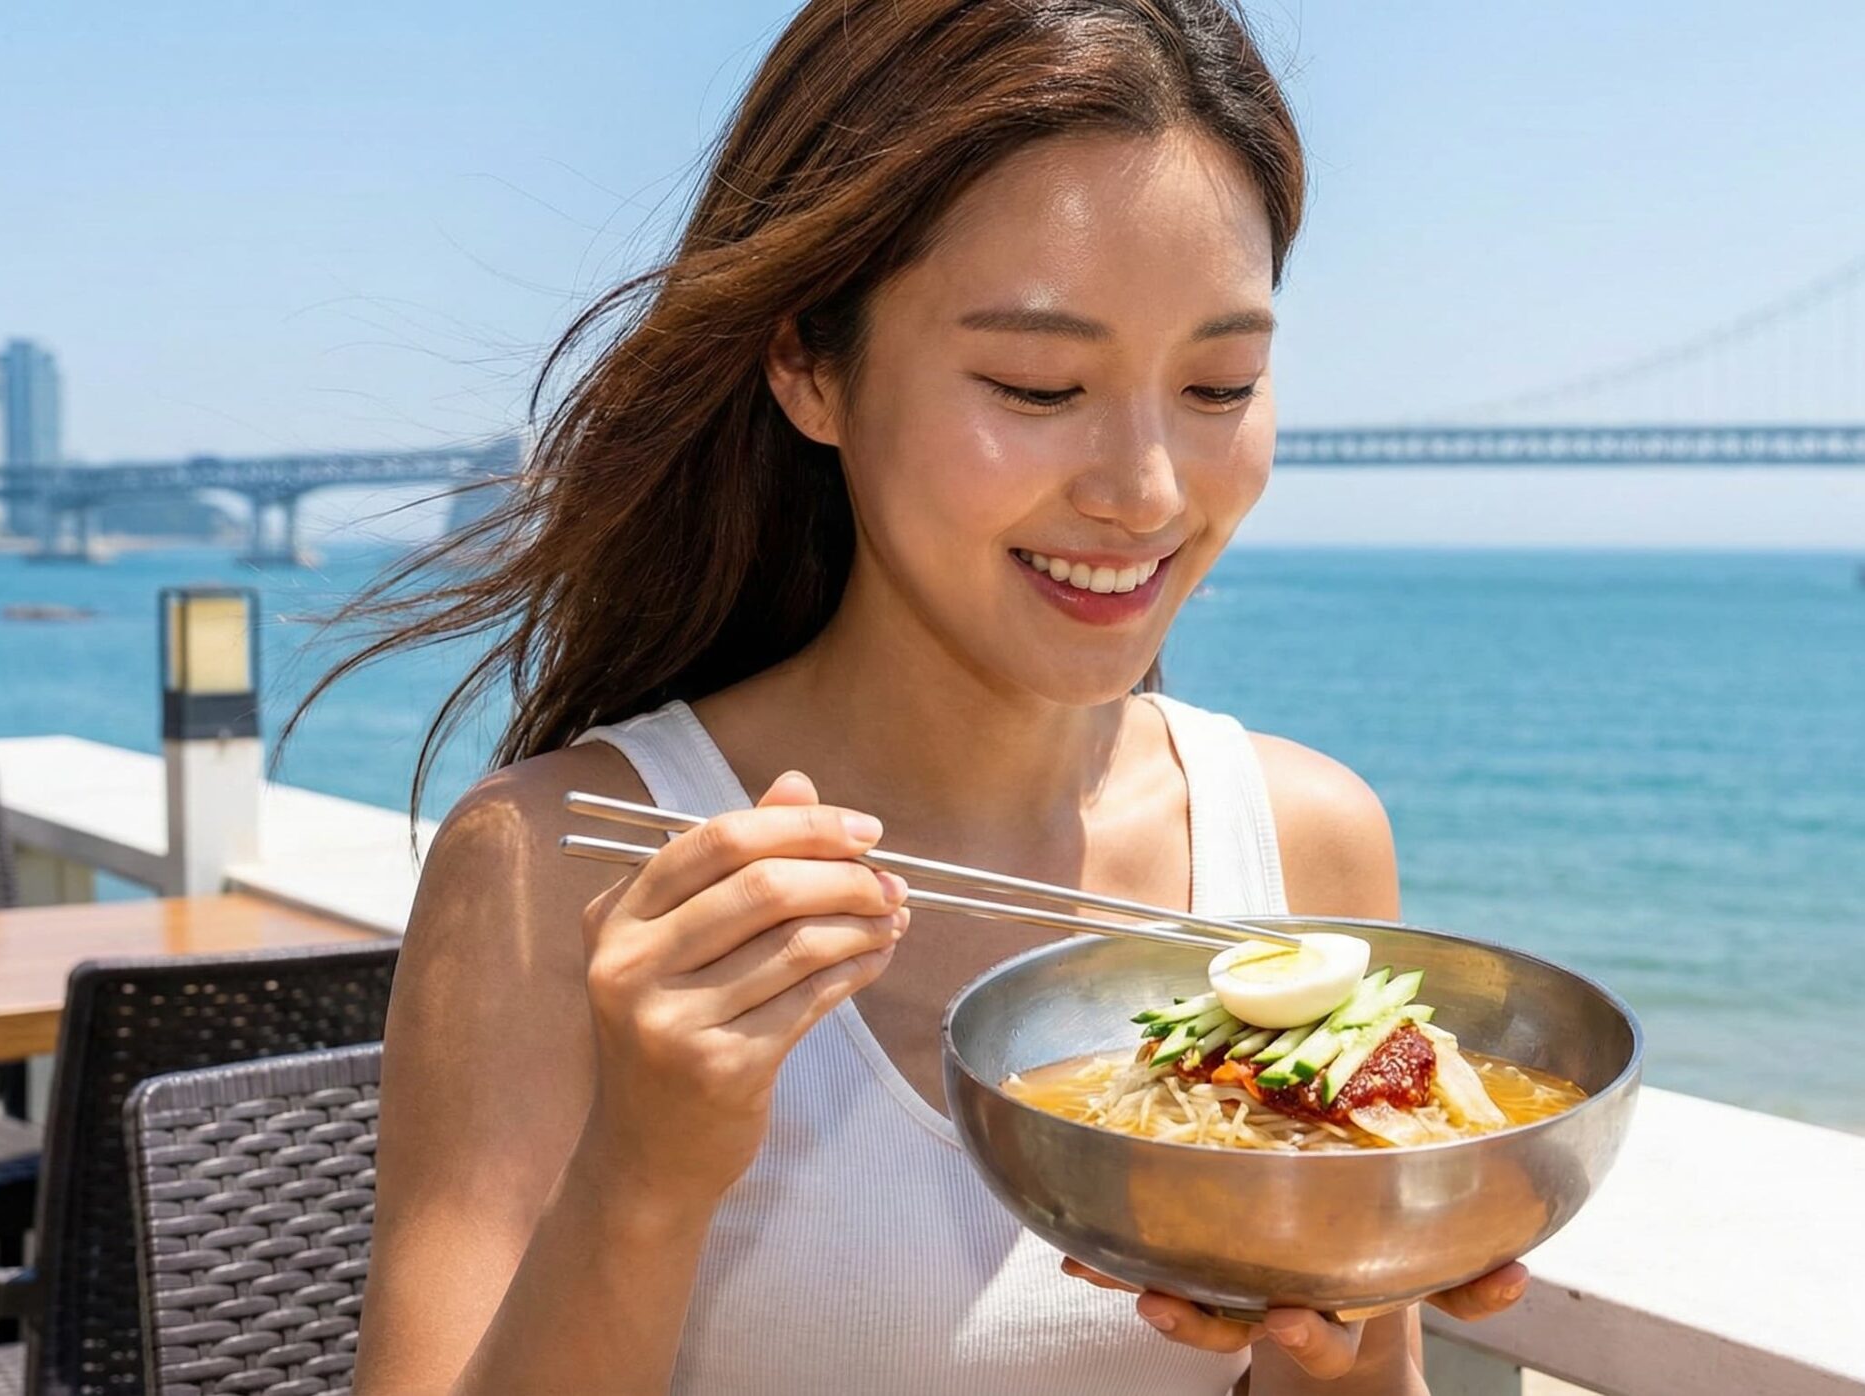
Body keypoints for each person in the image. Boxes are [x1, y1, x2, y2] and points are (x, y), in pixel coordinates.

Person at [330, 2, 1527, 1391]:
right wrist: (643, 1174)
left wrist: (1339, 1321)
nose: (1146, 492)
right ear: (809, 366)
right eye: (1038, 385)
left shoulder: (1303, 847)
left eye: (1220, 384)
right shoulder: (562, 865)